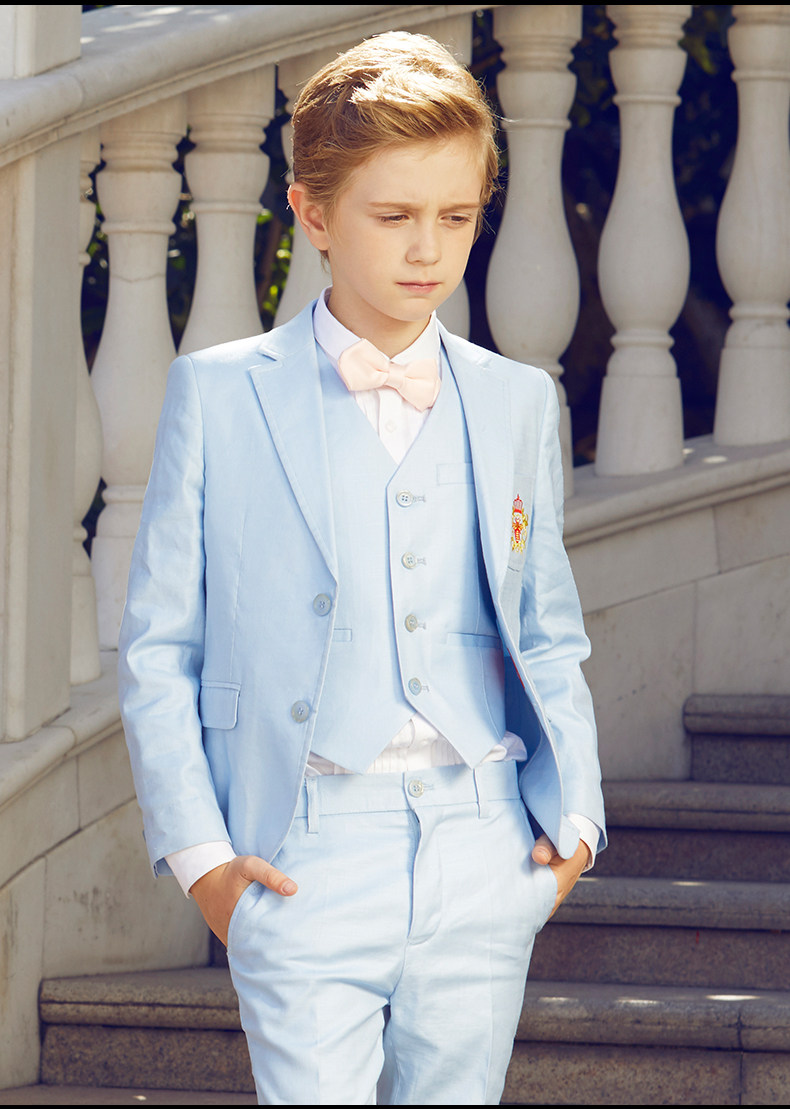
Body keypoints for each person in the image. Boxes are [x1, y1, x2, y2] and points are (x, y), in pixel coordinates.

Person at [118, 30, 606, 1106]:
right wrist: (203, 861)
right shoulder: (220, 395)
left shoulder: (516, 400)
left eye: (457, 216)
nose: (428, 248)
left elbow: (545, 627)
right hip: (303, 846)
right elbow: (160, 646)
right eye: (393, 216)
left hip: (482, 838)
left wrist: (573, 819)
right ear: (312, 213)